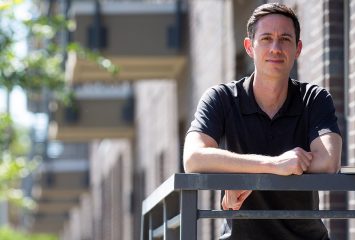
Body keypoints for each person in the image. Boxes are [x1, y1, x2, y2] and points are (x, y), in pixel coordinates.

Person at [183, 2, 342, 240]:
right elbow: (193, 158)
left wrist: (245, 177)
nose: (276, 48)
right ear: (249, 47)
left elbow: (328, 161)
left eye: (285, 39)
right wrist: (274, 165)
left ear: (297, 49)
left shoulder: (314, 99)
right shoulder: (221, 98)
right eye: (266, 38)